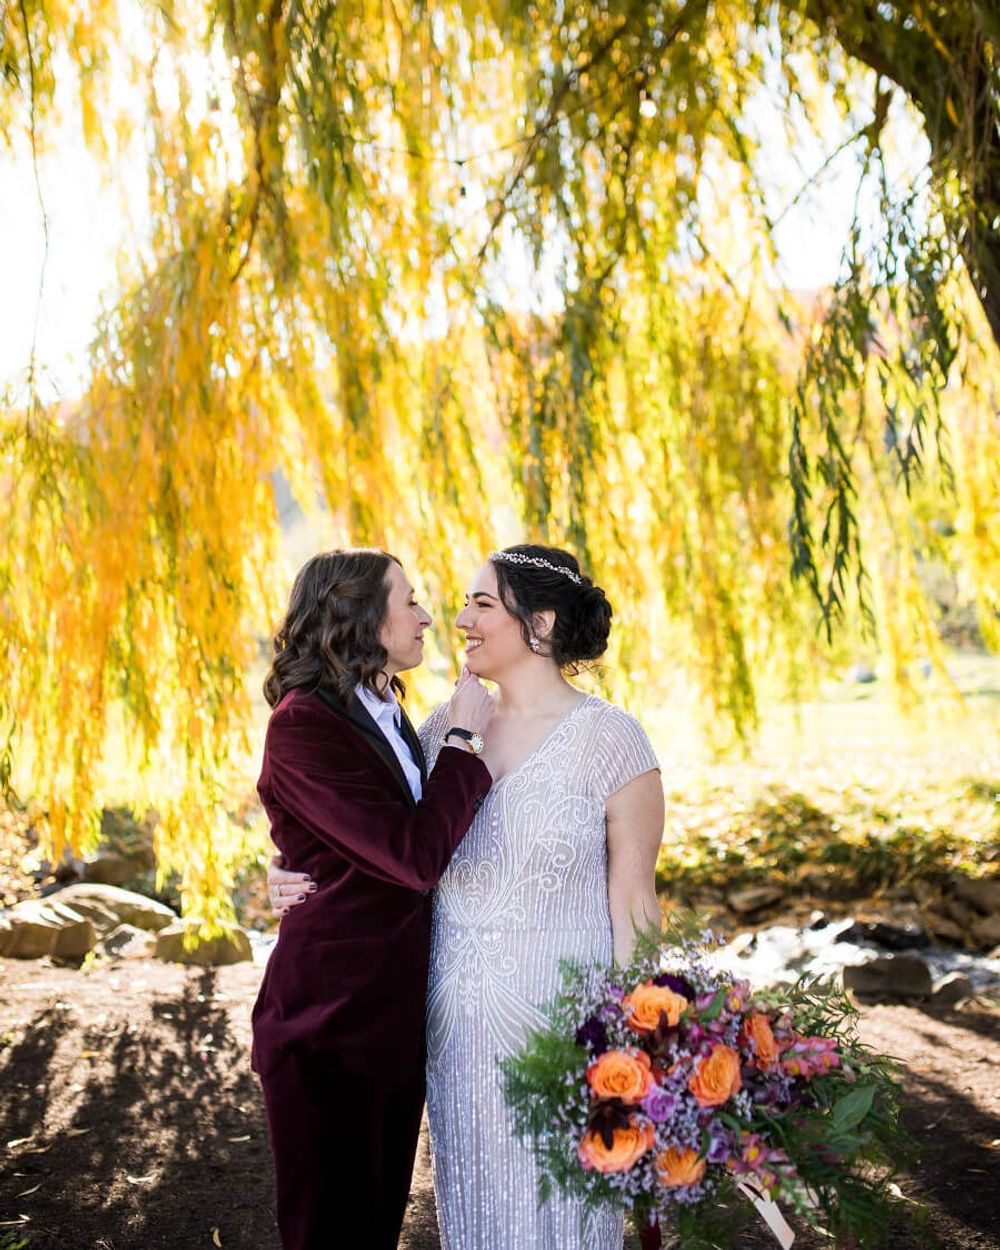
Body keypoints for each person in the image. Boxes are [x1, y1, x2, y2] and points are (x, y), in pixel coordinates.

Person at [271, 543, 664, 1249]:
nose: (455, 620)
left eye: (481, 604)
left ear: (539, 625)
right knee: (477, 1217)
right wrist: (292, 867)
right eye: (451, 603)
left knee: (567, 1216)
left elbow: (635, 903)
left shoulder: (612, 740)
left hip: (567, 1028)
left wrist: (642, 1037)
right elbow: (381, 838)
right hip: (455, 1035)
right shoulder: (436, 735)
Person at [251, 547, 495, 1250]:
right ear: (362, 618)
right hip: (328, 1022)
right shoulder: (303, 723)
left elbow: (351, 834)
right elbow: (414, 857)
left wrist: (294, 858)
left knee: (373, 1226)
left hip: (390, 1020)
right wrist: (462, 741)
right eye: (410, 601)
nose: (427, 616)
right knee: (330, 1231)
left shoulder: (385, 703)